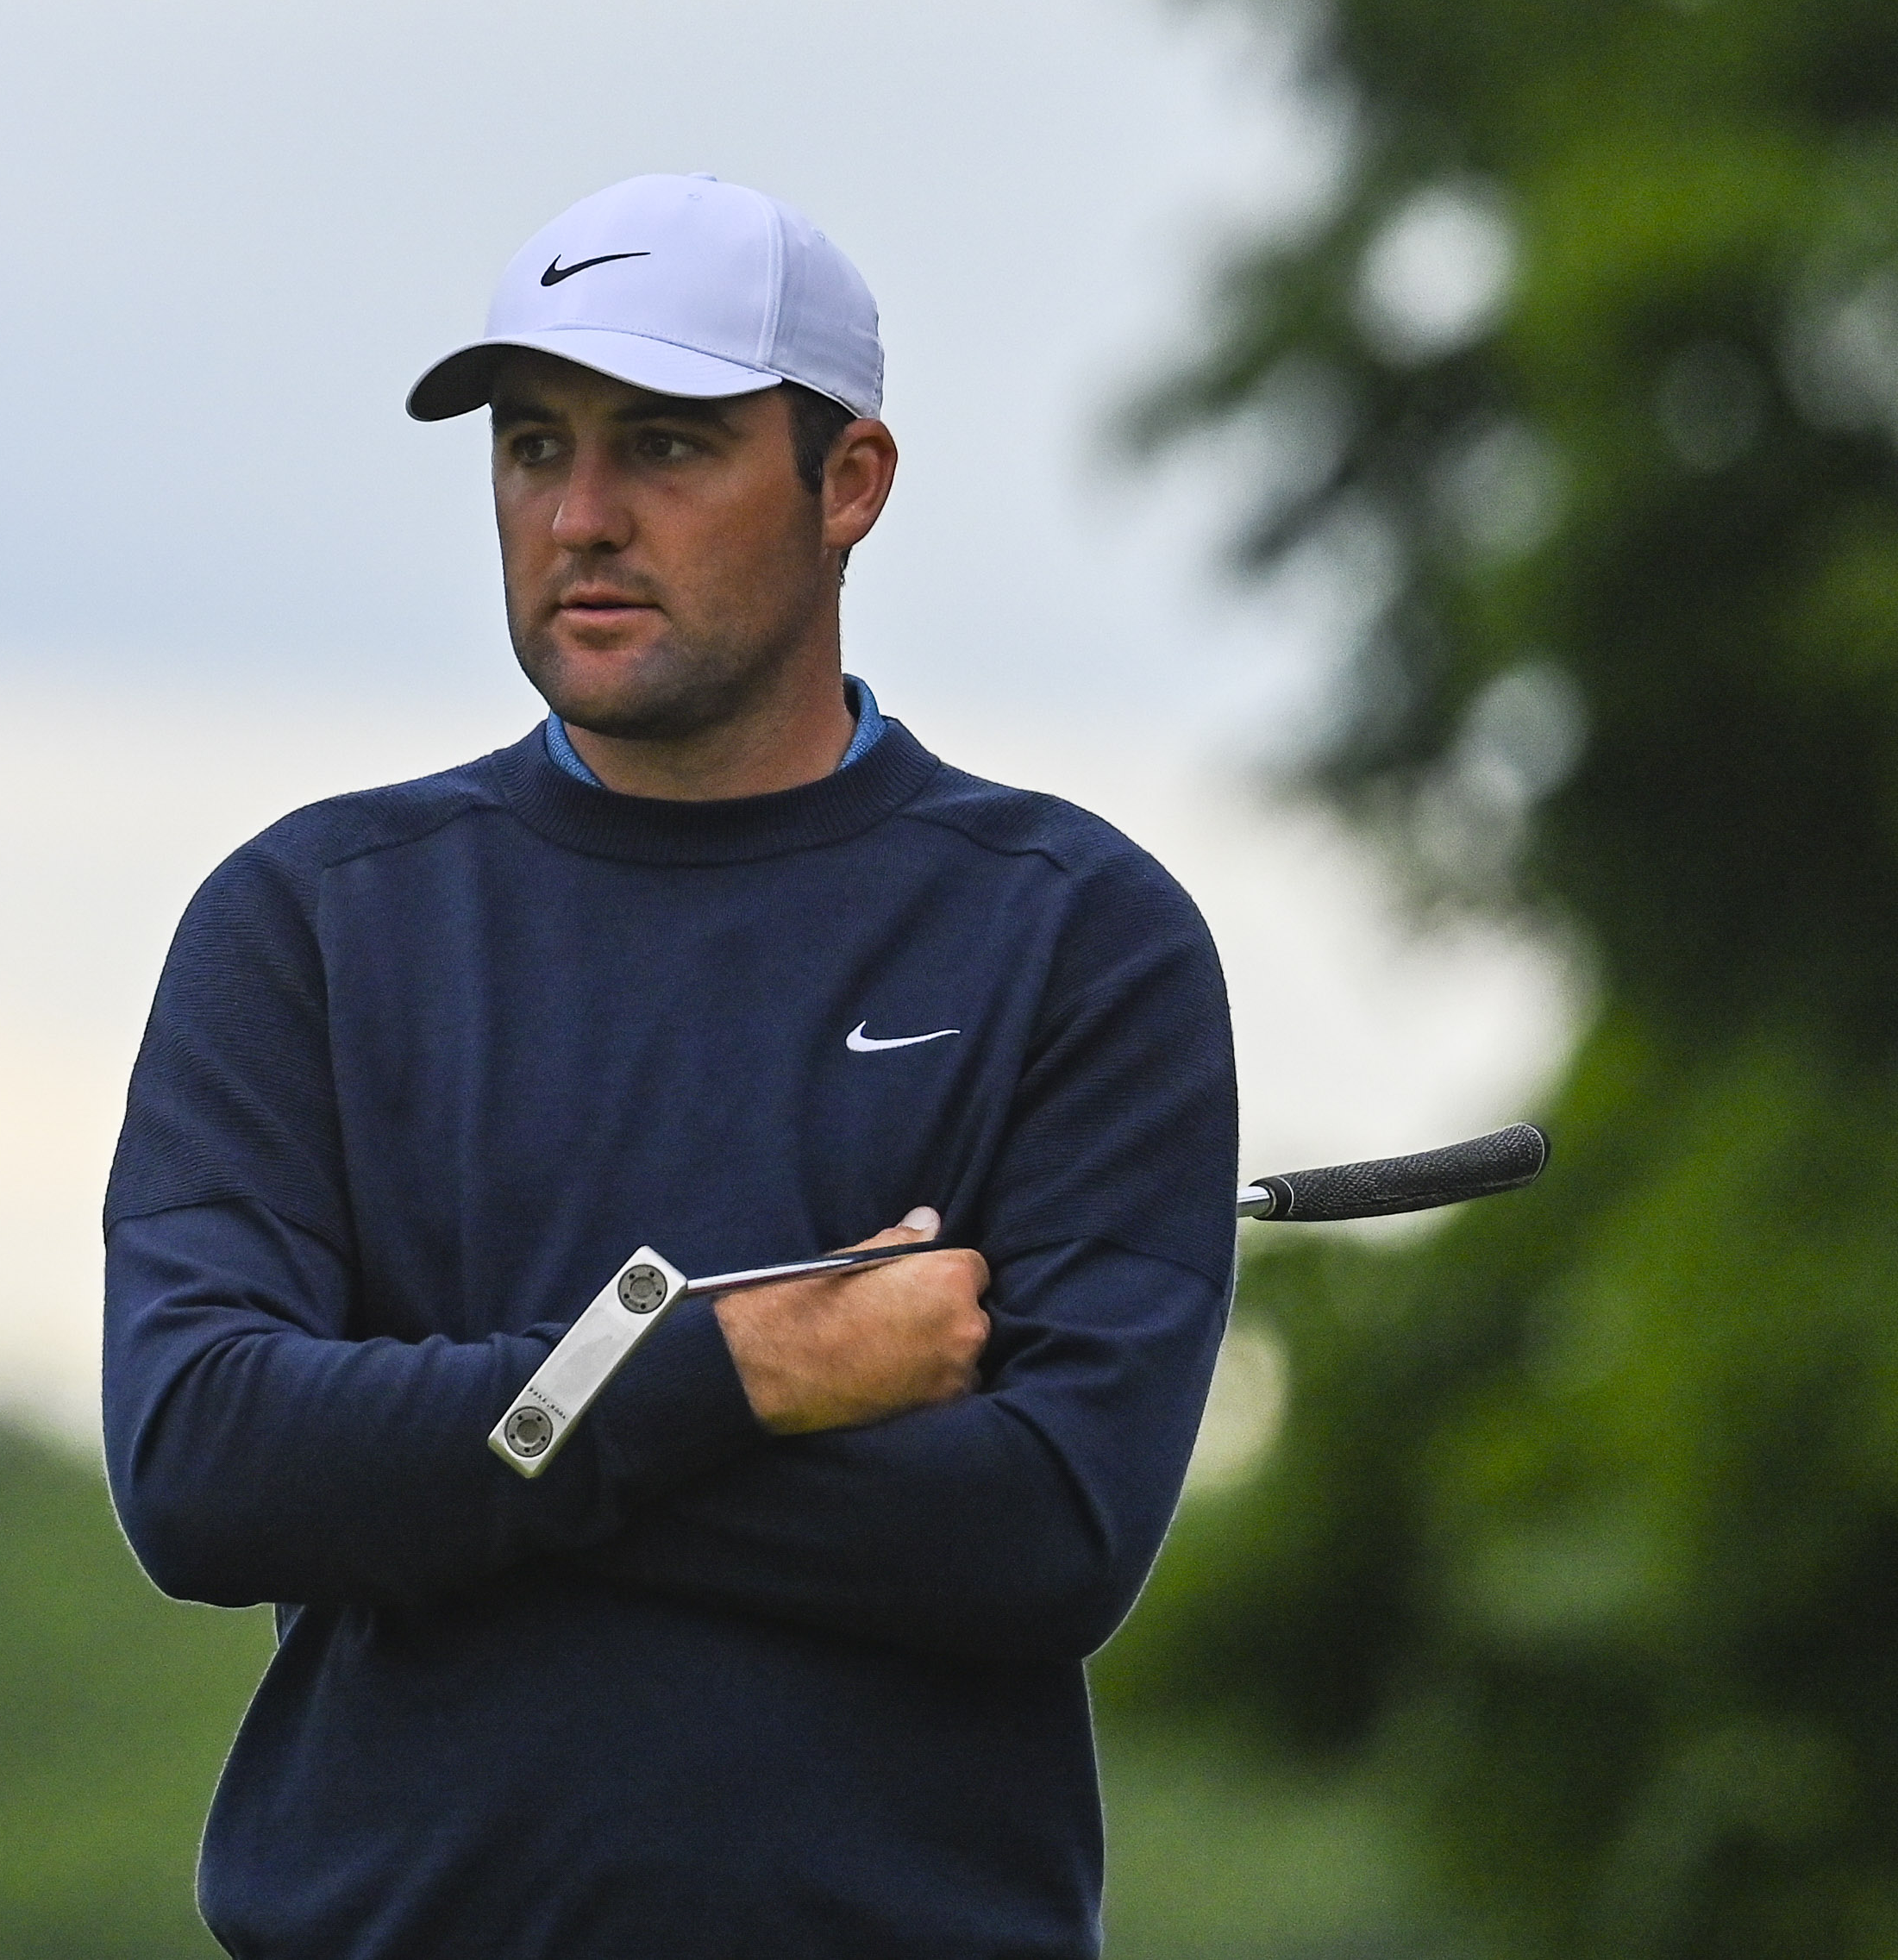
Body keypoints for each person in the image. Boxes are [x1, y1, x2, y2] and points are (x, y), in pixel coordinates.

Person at [103, 173, 1238, 1958]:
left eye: (666, 447)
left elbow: (1042, 1533)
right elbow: (204, 1466)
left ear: (845, 482)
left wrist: (442, 1462)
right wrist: (755, 1368)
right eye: (531, 443)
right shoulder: (310, 921)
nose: (578, 515)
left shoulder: (1072, 933)